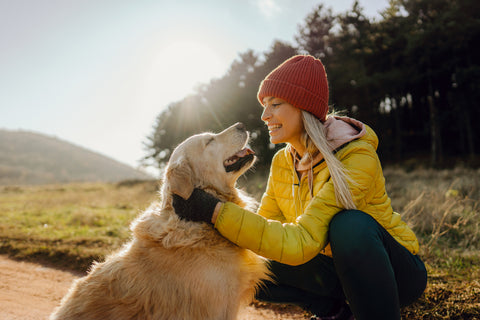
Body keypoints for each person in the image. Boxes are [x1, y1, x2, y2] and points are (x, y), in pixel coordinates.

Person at [172, 55, 427, 320]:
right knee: (249, 264)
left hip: (394, 274)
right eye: (264, 105)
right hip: (336, 270)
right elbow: (264, 229)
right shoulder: (282, 161)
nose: (264, 115)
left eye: (275, 104)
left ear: (303, 107)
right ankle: (335, 313)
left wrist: (215, 211)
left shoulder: (356, 155)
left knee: (349, 225)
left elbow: (301, 243)